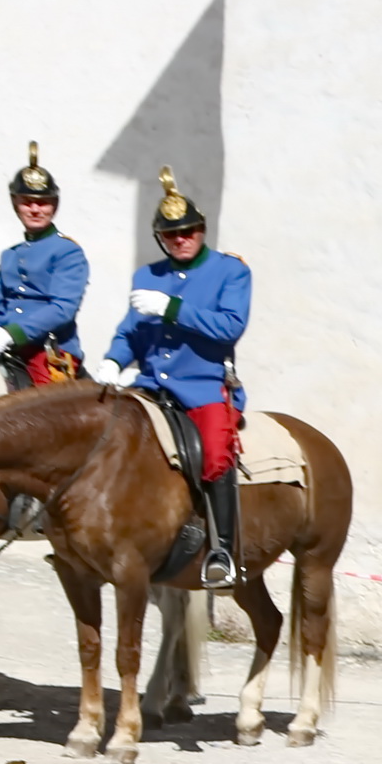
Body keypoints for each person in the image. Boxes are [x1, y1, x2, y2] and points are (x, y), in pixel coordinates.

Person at [89, 167, 252, 589]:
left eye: (188, 231)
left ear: (201, 229)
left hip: (202, 385)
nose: (181, 239)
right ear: (161, 238)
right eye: (171, 234)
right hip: (149, 385)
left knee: (214, 453)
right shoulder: (147, 276)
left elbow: (230, 326)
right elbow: (131, 331)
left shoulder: (230, 271)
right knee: (103, 437)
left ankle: (222, 551)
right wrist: (113, 361)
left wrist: (172, 308)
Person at [0, 143, 88, 392]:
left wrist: (10, 334)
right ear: (15, 204)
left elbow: (62, 308)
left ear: (54, 206)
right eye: (27, 202)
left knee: (47, 411)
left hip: (47, 352)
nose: (35, 209)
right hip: (7, 346)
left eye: (43, 202)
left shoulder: (68, 251)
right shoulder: (10, 255)